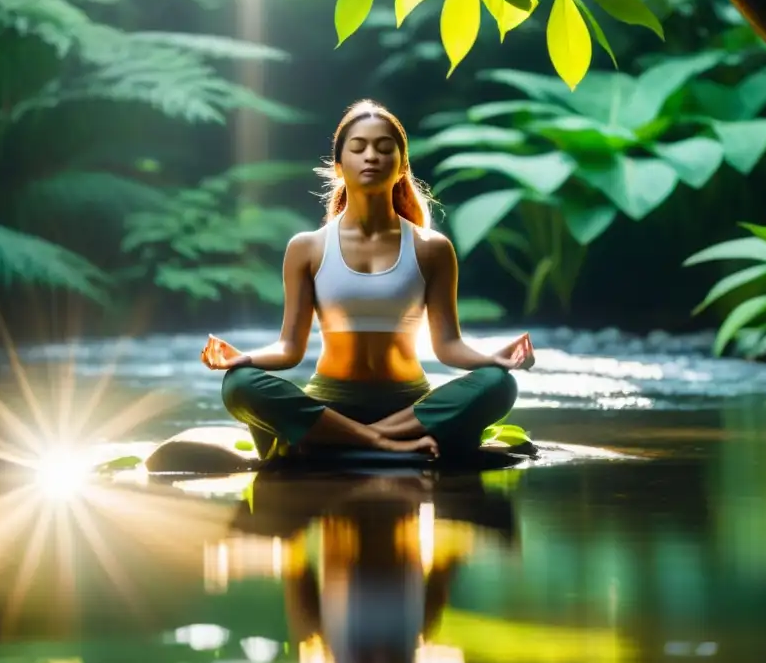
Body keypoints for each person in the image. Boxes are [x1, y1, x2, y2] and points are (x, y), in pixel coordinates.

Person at [200, 99, 535, 460]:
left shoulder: (432, 248)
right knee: (240, 385)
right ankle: (379, 445)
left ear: (402, 165)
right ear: (340, 167)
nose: (371, 156)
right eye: (358, 148)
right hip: (329, 405)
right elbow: (289, 349)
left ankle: (340, 444)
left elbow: (448, 345)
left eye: (384, 148)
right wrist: (242, 358)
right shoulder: (307, 248)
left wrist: (494, 359)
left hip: (409, 408)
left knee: (498, 385)